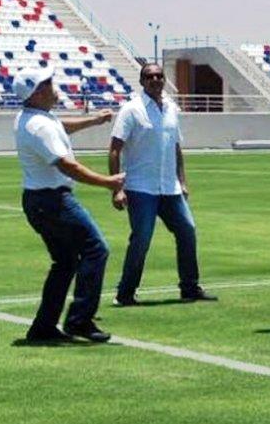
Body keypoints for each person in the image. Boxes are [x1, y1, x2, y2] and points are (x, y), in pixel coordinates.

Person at [13, 67, 125, 343]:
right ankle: (79, 320)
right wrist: (108, 182)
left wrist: (93, 120)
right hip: (53, 201)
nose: (54, 85)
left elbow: (60, 127)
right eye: (49, 82)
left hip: (39, 201)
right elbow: (68, 166)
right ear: (37, 91)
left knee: (64, 263)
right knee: (96, 250)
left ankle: (44, 327)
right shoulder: (39, 126)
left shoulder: (34, 118)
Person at [110, 63, 216, 306]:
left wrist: (183, 181)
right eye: (150, 77)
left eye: (159, 76)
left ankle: (189, 287)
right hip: (141, 187)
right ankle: (125, 293)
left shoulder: (171, 109)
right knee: (142, 239)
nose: (155, 80)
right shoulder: (131, 110)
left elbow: (176, 148)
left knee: (187, 230)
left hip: (170, 188)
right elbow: (115, 149)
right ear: (142, 81)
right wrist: (117, 188)